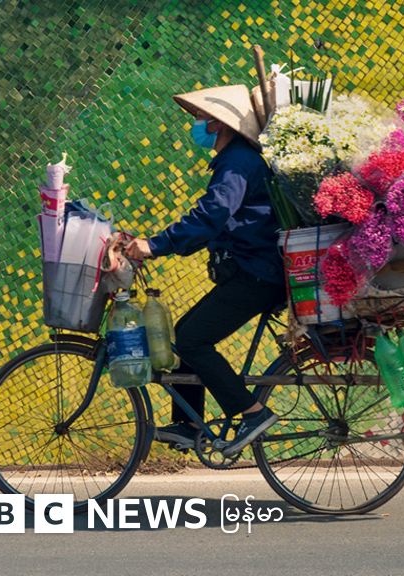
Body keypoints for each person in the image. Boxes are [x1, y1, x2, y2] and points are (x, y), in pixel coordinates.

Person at [125, 84, 283, 457]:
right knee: (185, 335)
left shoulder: (238, 162)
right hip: (252, 270)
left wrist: (156, 245)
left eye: (200, 117)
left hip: (258, 274)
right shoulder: (236, 160)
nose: (196, 124)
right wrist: (162, 245)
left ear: (219, 123)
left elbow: (212, 215)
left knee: (192, 339)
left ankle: (252, 413)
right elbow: (211, 224)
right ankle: (189, 424)